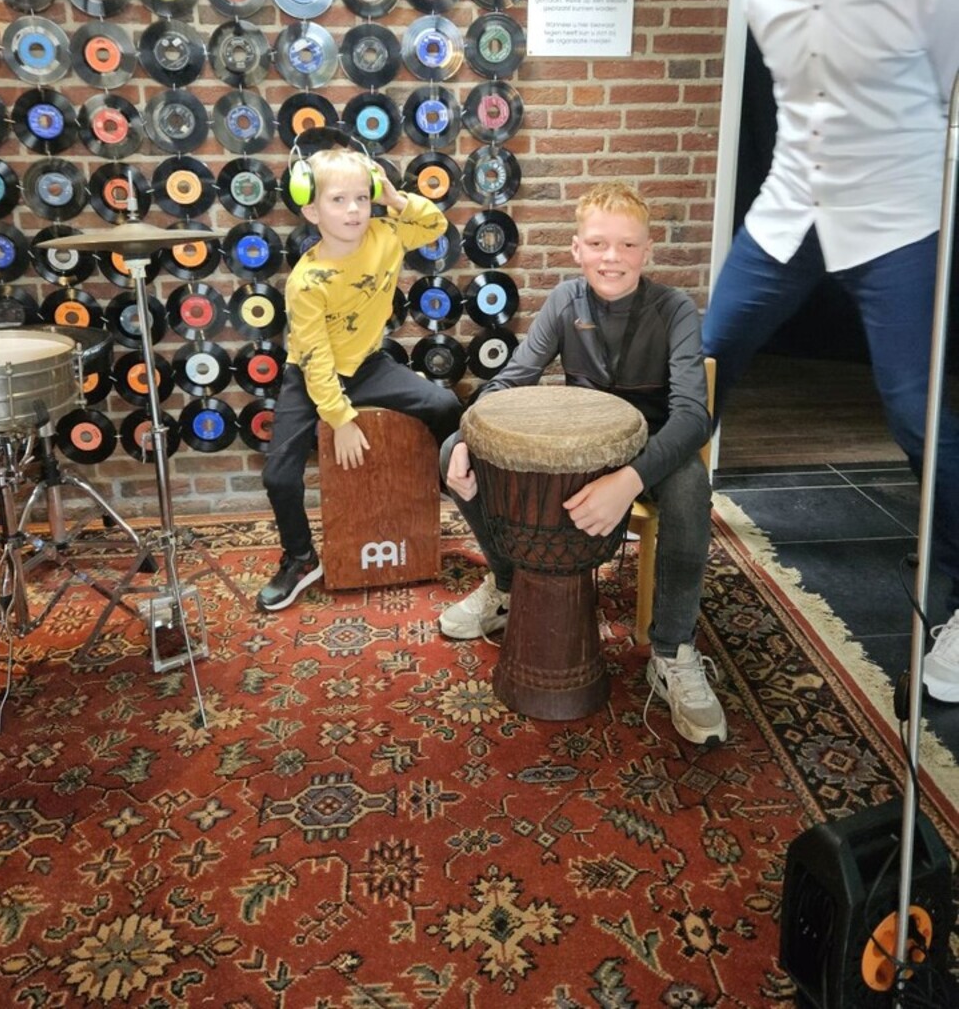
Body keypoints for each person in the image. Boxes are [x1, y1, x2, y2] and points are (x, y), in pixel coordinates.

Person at [701, 0, 959, 703]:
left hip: (896, 221)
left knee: (917, 413)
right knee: (703, 363)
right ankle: (661, 518)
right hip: (788, 215)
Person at [439, 181, 726, 747]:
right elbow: (511, 380)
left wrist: (631, 479)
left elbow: (695, 417)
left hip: (652, 452)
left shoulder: (675, 310)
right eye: (598, 244)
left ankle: (673, 650)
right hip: (584, 450)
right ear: (577, 249)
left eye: (627, 245)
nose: (611, 257)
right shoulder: (565, 300)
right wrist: (470, 434)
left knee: (691, 486)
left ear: (647, 251)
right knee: (452, 450)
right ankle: (506, 586)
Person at [259, 146, 461, 611]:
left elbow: (434, 226)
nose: (353, 210)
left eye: (361, 198)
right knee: (278, 476)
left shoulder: (385, 234)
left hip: (368, 364)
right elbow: (316, 359)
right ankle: (300, 557)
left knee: (445, 405)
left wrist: (395, 198)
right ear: (311, 209)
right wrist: (340, 419)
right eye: (338, 200)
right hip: (310, 372)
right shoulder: (306, 280)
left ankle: (448, 481)